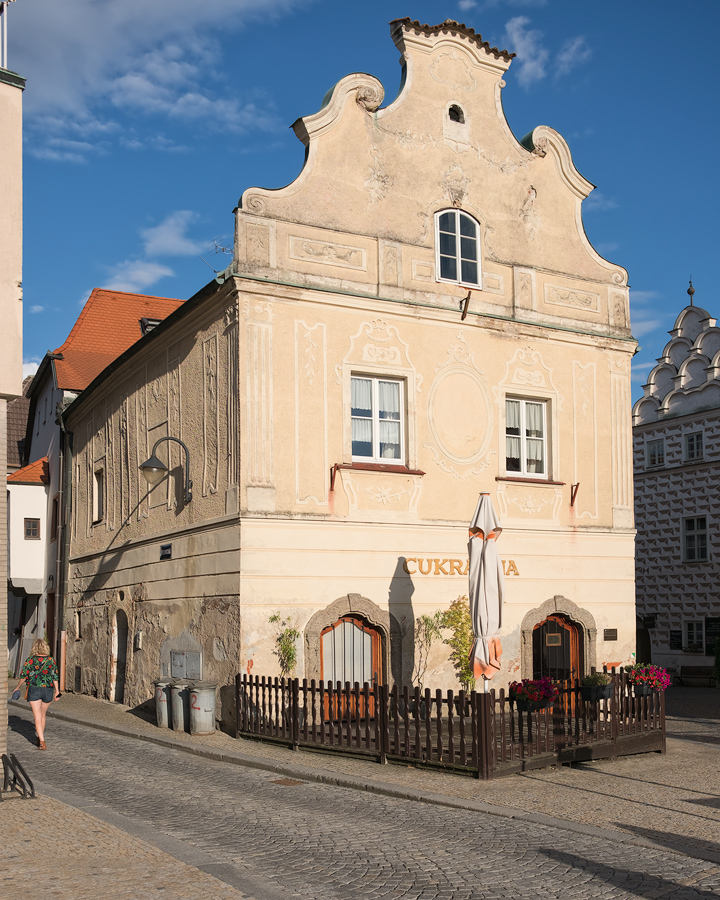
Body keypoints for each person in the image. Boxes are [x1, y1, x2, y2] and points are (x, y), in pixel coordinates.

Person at [19, 639, 61, 749]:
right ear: (45, 647)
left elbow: (23, 676)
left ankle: (42, 741)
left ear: (34, 648)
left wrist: (17, 687)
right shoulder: (51, 660)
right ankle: (39, 737)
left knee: (37, 716)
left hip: (34, 689)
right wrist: (57, 691)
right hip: (48, 690)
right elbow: (55, 676)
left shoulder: (30, 660)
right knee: (43, 715)